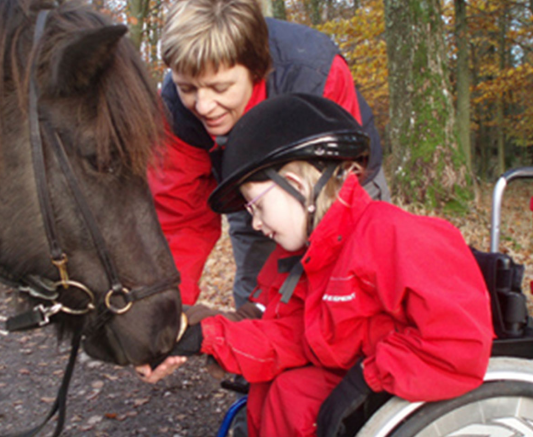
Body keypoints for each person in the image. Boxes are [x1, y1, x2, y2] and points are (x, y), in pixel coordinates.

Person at [137, 94, 493, 436]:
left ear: (293, 185)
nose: (256, 224)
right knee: (279, 389)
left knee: (296, 397)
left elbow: (458, 344)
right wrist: (200, 337)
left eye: (257, 206)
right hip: (331, 389)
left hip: (395, 393)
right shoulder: (307, 256)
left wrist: (367, 378)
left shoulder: (397, 237)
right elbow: (290, 336)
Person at [148, 0, 390, 308]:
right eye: (188, 89)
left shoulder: (314, 73)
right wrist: (167, 315)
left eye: (219, 88)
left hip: (338, 184)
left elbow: (341, 193)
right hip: (250, 192)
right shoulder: (174, 110)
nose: (203, 106)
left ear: (256, 69)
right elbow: (180, 220)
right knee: (258, 299)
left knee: (359, 288)